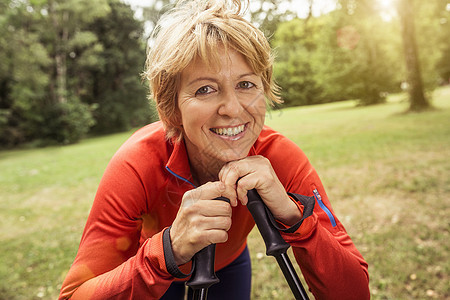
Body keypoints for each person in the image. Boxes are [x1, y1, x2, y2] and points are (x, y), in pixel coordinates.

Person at [59, 0, 370, 299]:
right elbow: (74, 295)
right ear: (172, 108)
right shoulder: (137, 164)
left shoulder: (279, 158)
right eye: (205, 89)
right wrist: (168, 250)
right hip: (152, 264)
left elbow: (354, 294)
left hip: (229, 262)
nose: (232, 109)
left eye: (246, 84)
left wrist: (294, 215)